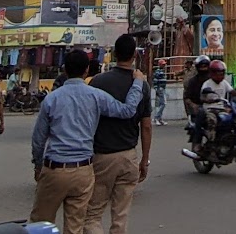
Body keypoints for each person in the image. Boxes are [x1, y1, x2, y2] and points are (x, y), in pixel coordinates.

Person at [30, 51, 145, 234]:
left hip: (54, 169)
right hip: (83, 171)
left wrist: (37, 166)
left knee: (40, 224)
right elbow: (127, 110)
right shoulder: (96, 96)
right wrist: (138, 82)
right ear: (86, 71)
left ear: (64, 70)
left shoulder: (52, 99)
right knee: (75, 226)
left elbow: (38, 139)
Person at [84, 35, 151, 234]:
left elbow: (88, 120)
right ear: (133, 55)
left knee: (93, 214)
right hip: (129, 156)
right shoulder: (142, 85)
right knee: (120, 216)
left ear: (114, 53)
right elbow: (146, 126)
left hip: (102, 157)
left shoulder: (97, 82)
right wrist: (144, 160)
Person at [193, 60, 236, 158]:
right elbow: (202, 97)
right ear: (212, 73)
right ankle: (211, 145)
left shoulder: (224, 83)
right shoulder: (207, 84)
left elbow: (232, 91)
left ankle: (227, 141)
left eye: (222, 73)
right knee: (212, 121)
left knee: (233, 119)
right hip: (210, 109)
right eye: (218, 73)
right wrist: (209, 101)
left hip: (222, 109)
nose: (220, 75)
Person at [181, 56, 212, 150]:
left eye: (205, 66)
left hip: (214, 105)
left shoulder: (213, 79)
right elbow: (187, 97)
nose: (204, 68)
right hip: (199, 105)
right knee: (200, 113)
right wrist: (194, 105)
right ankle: (198, 142)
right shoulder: (193, 81)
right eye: (201, 66)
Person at [150, 59, 168, 127]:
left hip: (162, 88)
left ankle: (159, 118)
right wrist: (156, 88)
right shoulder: (158, 72)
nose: (164, 65)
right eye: (163, 64)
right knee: (163, 103)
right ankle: (156, 117)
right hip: (160, 89)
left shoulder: (162, 71)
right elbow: (155, 81)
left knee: (161, 103)